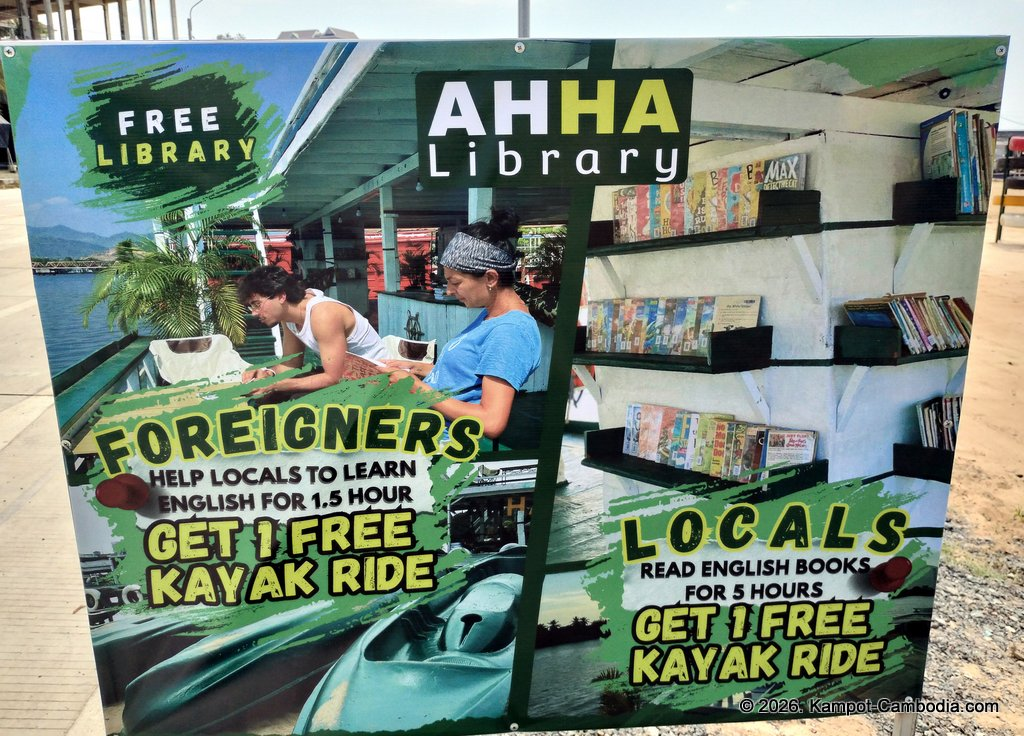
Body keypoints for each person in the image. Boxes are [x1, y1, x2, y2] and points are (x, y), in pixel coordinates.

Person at [385, 208, 541, 439]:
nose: (449, 291)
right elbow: (467, 375)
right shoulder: (491, 316)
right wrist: (413, 369)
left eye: (455, 282)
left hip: (445, 452)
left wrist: (417, 387)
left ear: (490, 278)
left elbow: (491, 421)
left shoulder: (510, 333)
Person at [238, 265, 387, 394]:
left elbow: (334, 378)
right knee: (268, 397)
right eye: (251, 306)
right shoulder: (289, 316)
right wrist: (267, 374)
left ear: (281, 296)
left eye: (257, 304)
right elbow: (292, 363)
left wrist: (277, 385)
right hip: (351, 380)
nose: (254, 312)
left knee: (291, 401)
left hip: (380, 380)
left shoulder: (323, 314)